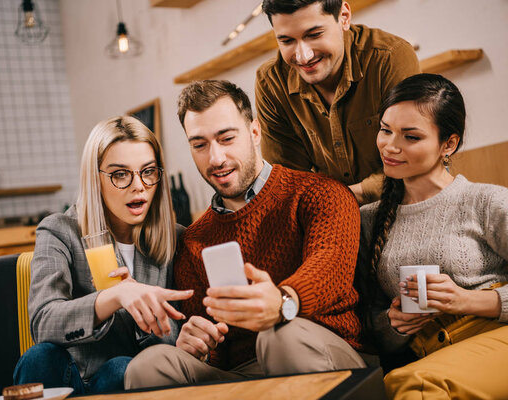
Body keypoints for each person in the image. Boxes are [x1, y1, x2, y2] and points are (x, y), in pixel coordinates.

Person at [124, 80, 366, 389]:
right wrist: (198, 344)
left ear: (254, 132)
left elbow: (330, 269)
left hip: (323, 352)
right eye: (200, 144)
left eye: (226, 138)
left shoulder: (319, 193)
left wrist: (282, 303)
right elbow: (214, 348)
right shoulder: (195, 239)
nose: (216, 159)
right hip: (244, 377)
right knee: (150, 365)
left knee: (279, 335)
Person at [12, 116, 193, 395]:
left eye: (148, 171)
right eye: (120, 174)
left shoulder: (177, 238)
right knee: (39, 357)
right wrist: (112, 297)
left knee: (122, 367)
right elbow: (43, 322)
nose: (139, 186)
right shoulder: (59, 230)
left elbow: (173, 346)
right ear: (94, 177)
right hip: (69, 379)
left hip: (128, 381)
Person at [356, 73, 508, 398]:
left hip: (497, 338)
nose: (390, 146)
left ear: (448, 144)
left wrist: (466, 300)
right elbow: (368, 321)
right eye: (385, 130)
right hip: (429, 356)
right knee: (403, 383)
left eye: (411, 137)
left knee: (413, 385)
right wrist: (394, 324)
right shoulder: (368, 220)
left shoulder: (487, 201)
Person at [255, 0, 420, 204]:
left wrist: (337, 200)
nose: (304, 56)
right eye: (287, 41)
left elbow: (412, 162)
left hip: (405, 204)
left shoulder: (389, 58)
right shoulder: (271, 83)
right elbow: (288, 186)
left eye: (314, 35)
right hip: (331, 216)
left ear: (344, 17)